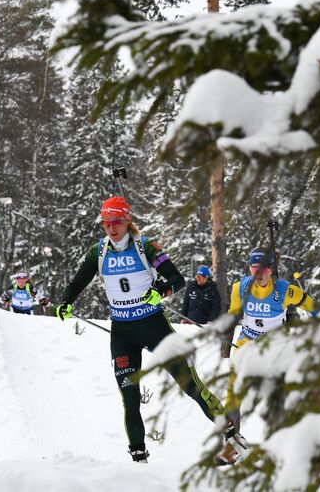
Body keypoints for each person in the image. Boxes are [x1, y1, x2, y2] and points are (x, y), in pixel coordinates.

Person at [56, 196, 246, 464]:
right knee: (129, 397)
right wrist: (65, 301)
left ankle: (231, 434)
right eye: (106, 223)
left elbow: (177, 279)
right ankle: (138, 461)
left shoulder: (146, 247)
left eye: (117, 222)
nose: (111, 228)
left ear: (127, 221)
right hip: (123, 333)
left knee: (190, 385)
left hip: (154, 326)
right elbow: (78, 281)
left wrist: (161, 291)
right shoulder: (98, 252)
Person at [219, 246, 315, 461]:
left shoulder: (285, 290)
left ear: (271, 269)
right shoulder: (240, 288)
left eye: (262, 269)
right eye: (254, 269)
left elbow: (311, 304)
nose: (258, 274)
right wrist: (226, 337)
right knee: (234, 390)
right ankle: (231, 444)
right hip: (247, 342)